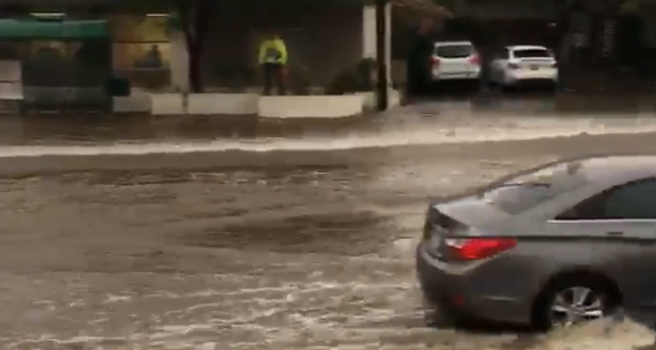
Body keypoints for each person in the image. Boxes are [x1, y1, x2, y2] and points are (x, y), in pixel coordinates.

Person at [406, 19, 435, 98]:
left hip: (419, 61)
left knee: (420, 78)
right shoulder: (420, 37)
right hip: (419, 61)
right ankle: (416, 93)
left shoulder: (422, 37)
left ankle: (417, 93)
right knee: (420, 77)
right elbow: (430, 47)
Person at [258, 30, 288, 95]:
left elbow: (262, 52)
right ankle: (280, 91)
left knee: (270, 78)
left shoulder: (266, 42)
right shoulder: (279, 42)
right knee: (278, 78)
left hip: (270, 62)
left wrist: (261, 61)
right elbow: (284, 53)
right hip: (276, 62)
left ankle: (269, 90)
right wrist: (283, 62)